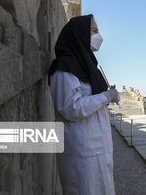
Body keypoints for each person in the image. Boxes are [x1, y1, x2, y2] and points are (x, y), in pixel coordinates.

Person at [48, 14, 119, 195]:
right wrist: (105, 97)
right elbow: (70, 108)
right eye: (94, 30)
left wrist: (107, 97)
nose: (98, 36)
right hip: (82, 151)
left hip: (98, 148)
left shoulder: (86, 65)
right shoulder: (65, 67)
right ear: (79, 33)